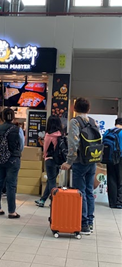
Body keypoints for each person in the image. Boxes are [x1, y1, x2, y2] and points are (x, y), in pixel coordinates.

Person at [61, 97, 97, 235]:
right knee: (89, 191)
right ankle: (90, 221)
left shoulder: (75, 122)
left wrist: (69, 161)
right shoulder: (92, 121)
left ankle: (84, 224)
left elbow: (73, 143)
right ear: (88, 109)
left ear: (75, 108)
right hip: (92, 160)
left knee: (80, 192)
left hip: (80, 162)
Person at [0, 108, 24, 219]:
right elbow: (21, 145)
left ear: (2, 117)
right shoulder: (17, 129)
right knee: (11, 185)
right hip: (13, 159)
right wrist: (17, 152)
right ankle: (12, 212)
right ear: (13, 117)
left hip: (0, 158)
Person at [35, 116, 63, 207]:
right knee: (51, 179)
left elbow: (45, 149)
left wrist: (44, 155)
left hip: (50, 160)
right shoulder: (61, 134)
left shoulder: (48, 135)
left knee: (52, 181)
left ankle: (54, 201)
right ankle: (42, 200)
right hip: (58, 160)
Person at [106, 118, 122, 209]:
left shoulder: (108, 132)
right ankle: (119, 202)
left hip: (109, 158)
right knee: (120, 180)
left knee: (111, 179)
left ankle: (112, 203)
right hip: (120, 158)